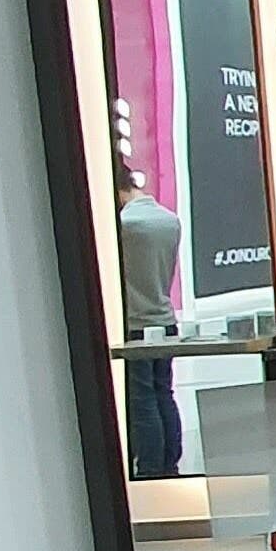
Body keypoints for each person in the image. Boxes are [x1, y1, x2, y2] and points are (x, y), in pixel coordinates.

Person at [117, 160, 185, 479]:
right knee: (164, 392)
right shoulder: (168, 220)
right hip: (164, 317)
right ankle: (170, 462)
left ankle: (150, 470)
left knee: (142, 399)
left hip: (135, 323)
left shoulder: (124, 226)